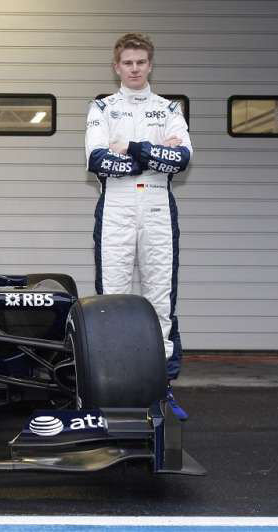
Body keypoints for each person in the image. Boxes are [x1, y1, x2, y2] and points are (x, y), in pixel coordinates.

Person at [84, 33, 192, 420]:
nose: (134, 69)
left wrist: (131, 149)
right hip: (116, 205)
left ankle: (163, 386)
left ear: (150, 65)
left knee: (159, 298)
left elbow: (181, 159)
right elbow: (97, 159)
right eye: (127, 63)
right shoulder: (102, 107)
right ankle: (111, 385)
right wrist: (152, 154)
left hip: (158, 205)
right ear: (117, 67)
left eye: (141, 62)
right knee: (112, 298)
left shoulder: (169, 109)